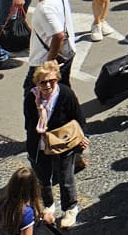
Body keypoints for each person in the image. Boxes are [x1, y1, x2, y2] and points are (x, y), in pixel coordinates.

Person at [21, 59, 82, 226]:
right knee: (43, 179)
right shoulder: (31, 99)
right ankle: (48, 205)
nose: (47, 85)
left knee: (65, 178)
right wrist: (40, 114)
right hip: (38, 146)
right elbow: (28, 124)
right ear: (37, 82)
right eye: (43, 82)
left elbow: (78, 117)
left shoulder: (65, 94)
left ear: (57, 79)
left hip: (62, 143)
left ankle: (70, 209)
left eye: (52, 80)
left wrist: (82, 139)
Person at [23, 0, 75, 73]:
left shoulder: (44, 8)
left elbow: (58, 35)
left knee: (31, 88)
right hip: (67, 52)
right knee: (61, 87)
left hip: (43, 60)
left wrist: (49, 63)